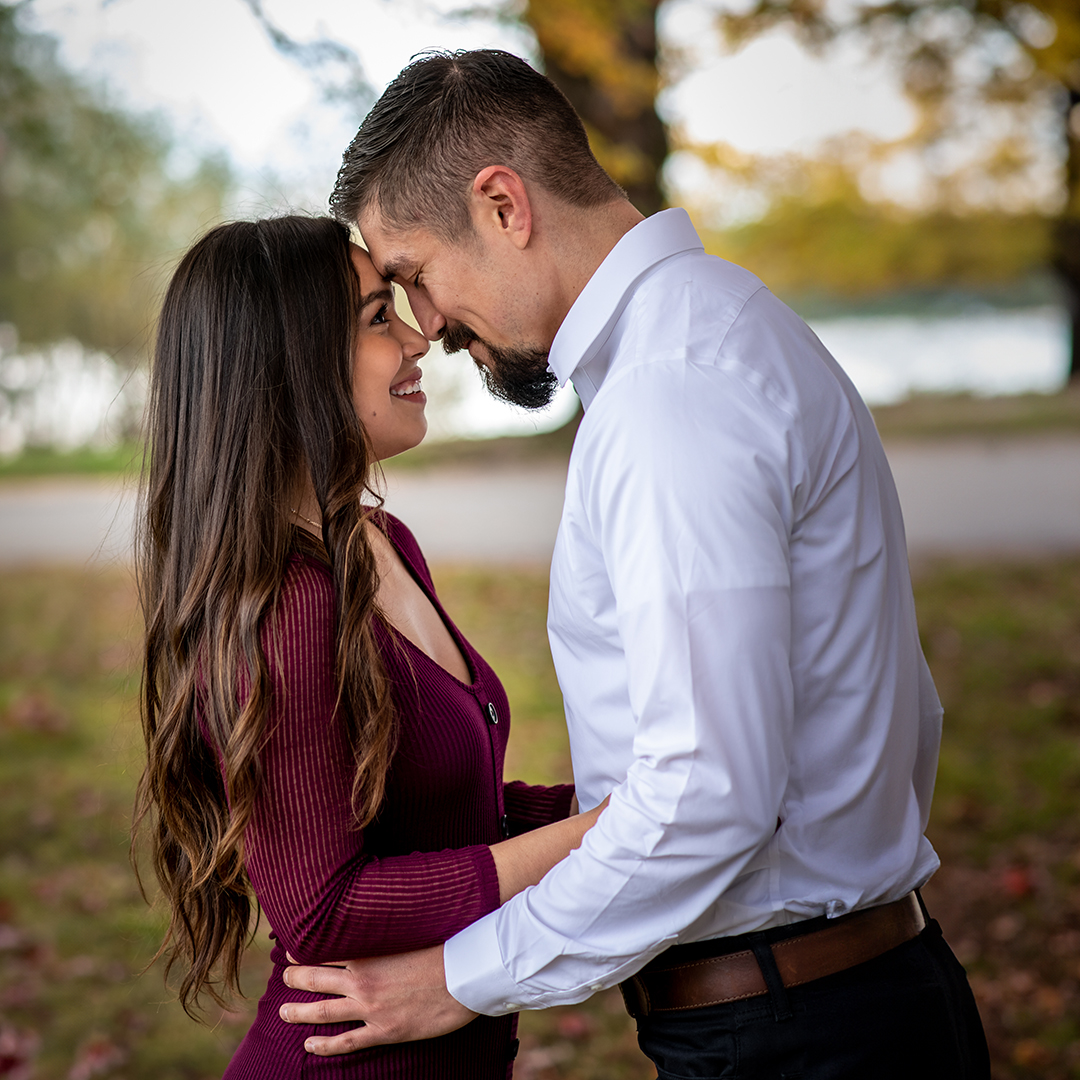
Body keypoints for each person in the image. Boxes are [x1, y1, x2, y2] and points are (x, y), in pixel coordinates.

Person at [278, 50, 991, 1079]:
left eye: (415, 277)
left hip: (798, 1032)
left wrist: (461, 976)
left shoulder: (672, 394)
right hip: (841, 1004)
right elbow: (895, 712)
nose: (424, 327)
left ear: (502, 206)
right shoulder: (725, 330)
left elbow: (708, 790)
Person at [133, 214, 604, 1079]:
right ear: (287, 364)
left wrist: (636, 801)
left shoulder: (379, 544)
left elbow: (448, 824)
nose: (421, 337)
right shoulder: (283, 606)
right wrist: (609, 834)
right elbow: (324, 909)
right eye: (376, 317)